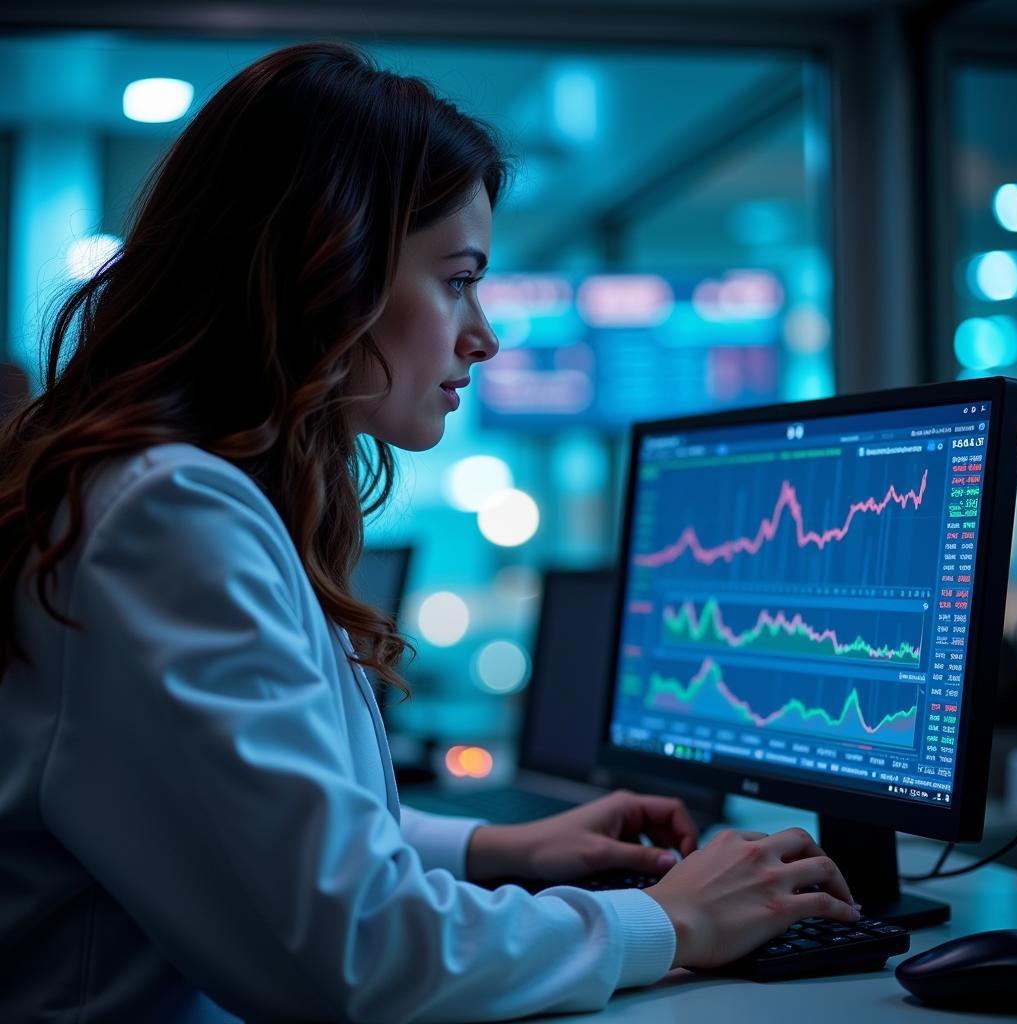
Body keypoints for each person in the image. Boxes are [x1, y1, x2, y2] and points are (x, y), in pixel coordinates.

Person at [0, 42, 860, 1023]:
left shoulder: (173, 494)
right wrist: (667, 923)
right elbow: (351, 950)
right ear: (329, 265)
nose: (482, 333)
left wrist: (499, 849)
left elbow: (249, 833)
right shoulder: (167, 513)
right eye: (457, 279)